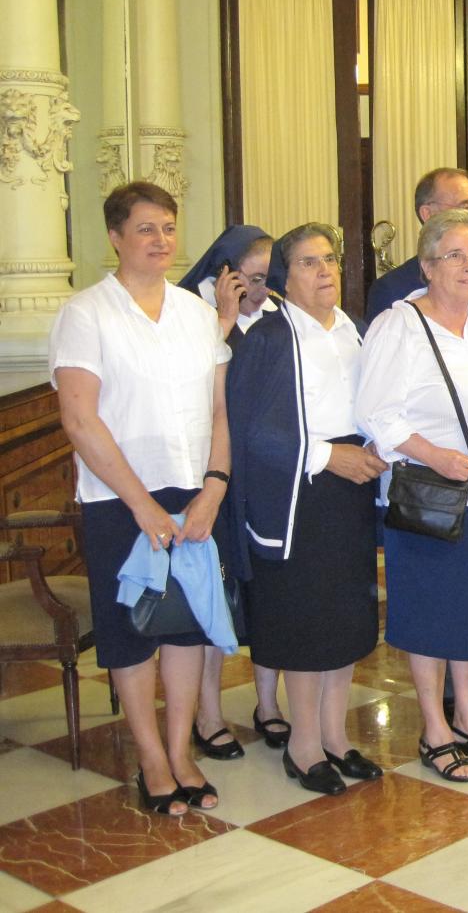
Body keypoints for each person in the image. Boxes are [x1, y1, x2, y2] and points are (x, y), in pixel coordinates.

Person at [50, 182, 230, 815]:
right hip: (119, 498)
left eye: (169, 229)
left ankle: (181, 751)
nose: (161, 241)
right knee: (132, 633)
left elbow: (217, 409)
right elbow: (80, 419)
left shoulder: (195, 312)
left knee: (183, 628)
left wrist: (214, 488)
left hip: (193, 491)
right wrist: (143, 507)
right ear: (116, 238)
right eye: (147, 229)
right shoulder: (87, 313)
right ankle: (151, 759)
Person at [356, 211, 468, 781]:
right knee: (433, 614)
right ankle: (434, 729)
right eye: (454, 255)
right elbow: (375, 414)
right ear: (427, 265)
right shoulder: (400, 325)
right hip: (432, 498)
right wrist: (433, 454)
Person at [227, 224, 386, 794]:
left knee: (344, 619)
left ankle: (336, 736)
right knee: (304, 621)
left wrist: (373, 447)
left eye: (330, 261)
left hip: (349, 490)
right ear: (283, 279)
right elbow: (252, 432)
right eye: (309, 263)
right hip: (296, 495)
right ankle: (302, 744)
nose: (325, 272)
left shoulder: (354, 330)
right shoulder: (268, 337)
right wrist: (327, 457)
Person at [179, 226, 290, 759]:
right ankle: (206, 713)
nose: (264, 289)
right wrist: (223, 321)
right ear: (225, 272)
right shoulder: (191, 316)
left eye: (270, 278)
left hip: (266, 480)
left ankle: (268, 705)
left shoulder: (276, 318)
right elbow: (189, 388)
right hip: (212, 480)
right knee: (211, 602)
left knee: (266, 596)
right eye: (254, 277)